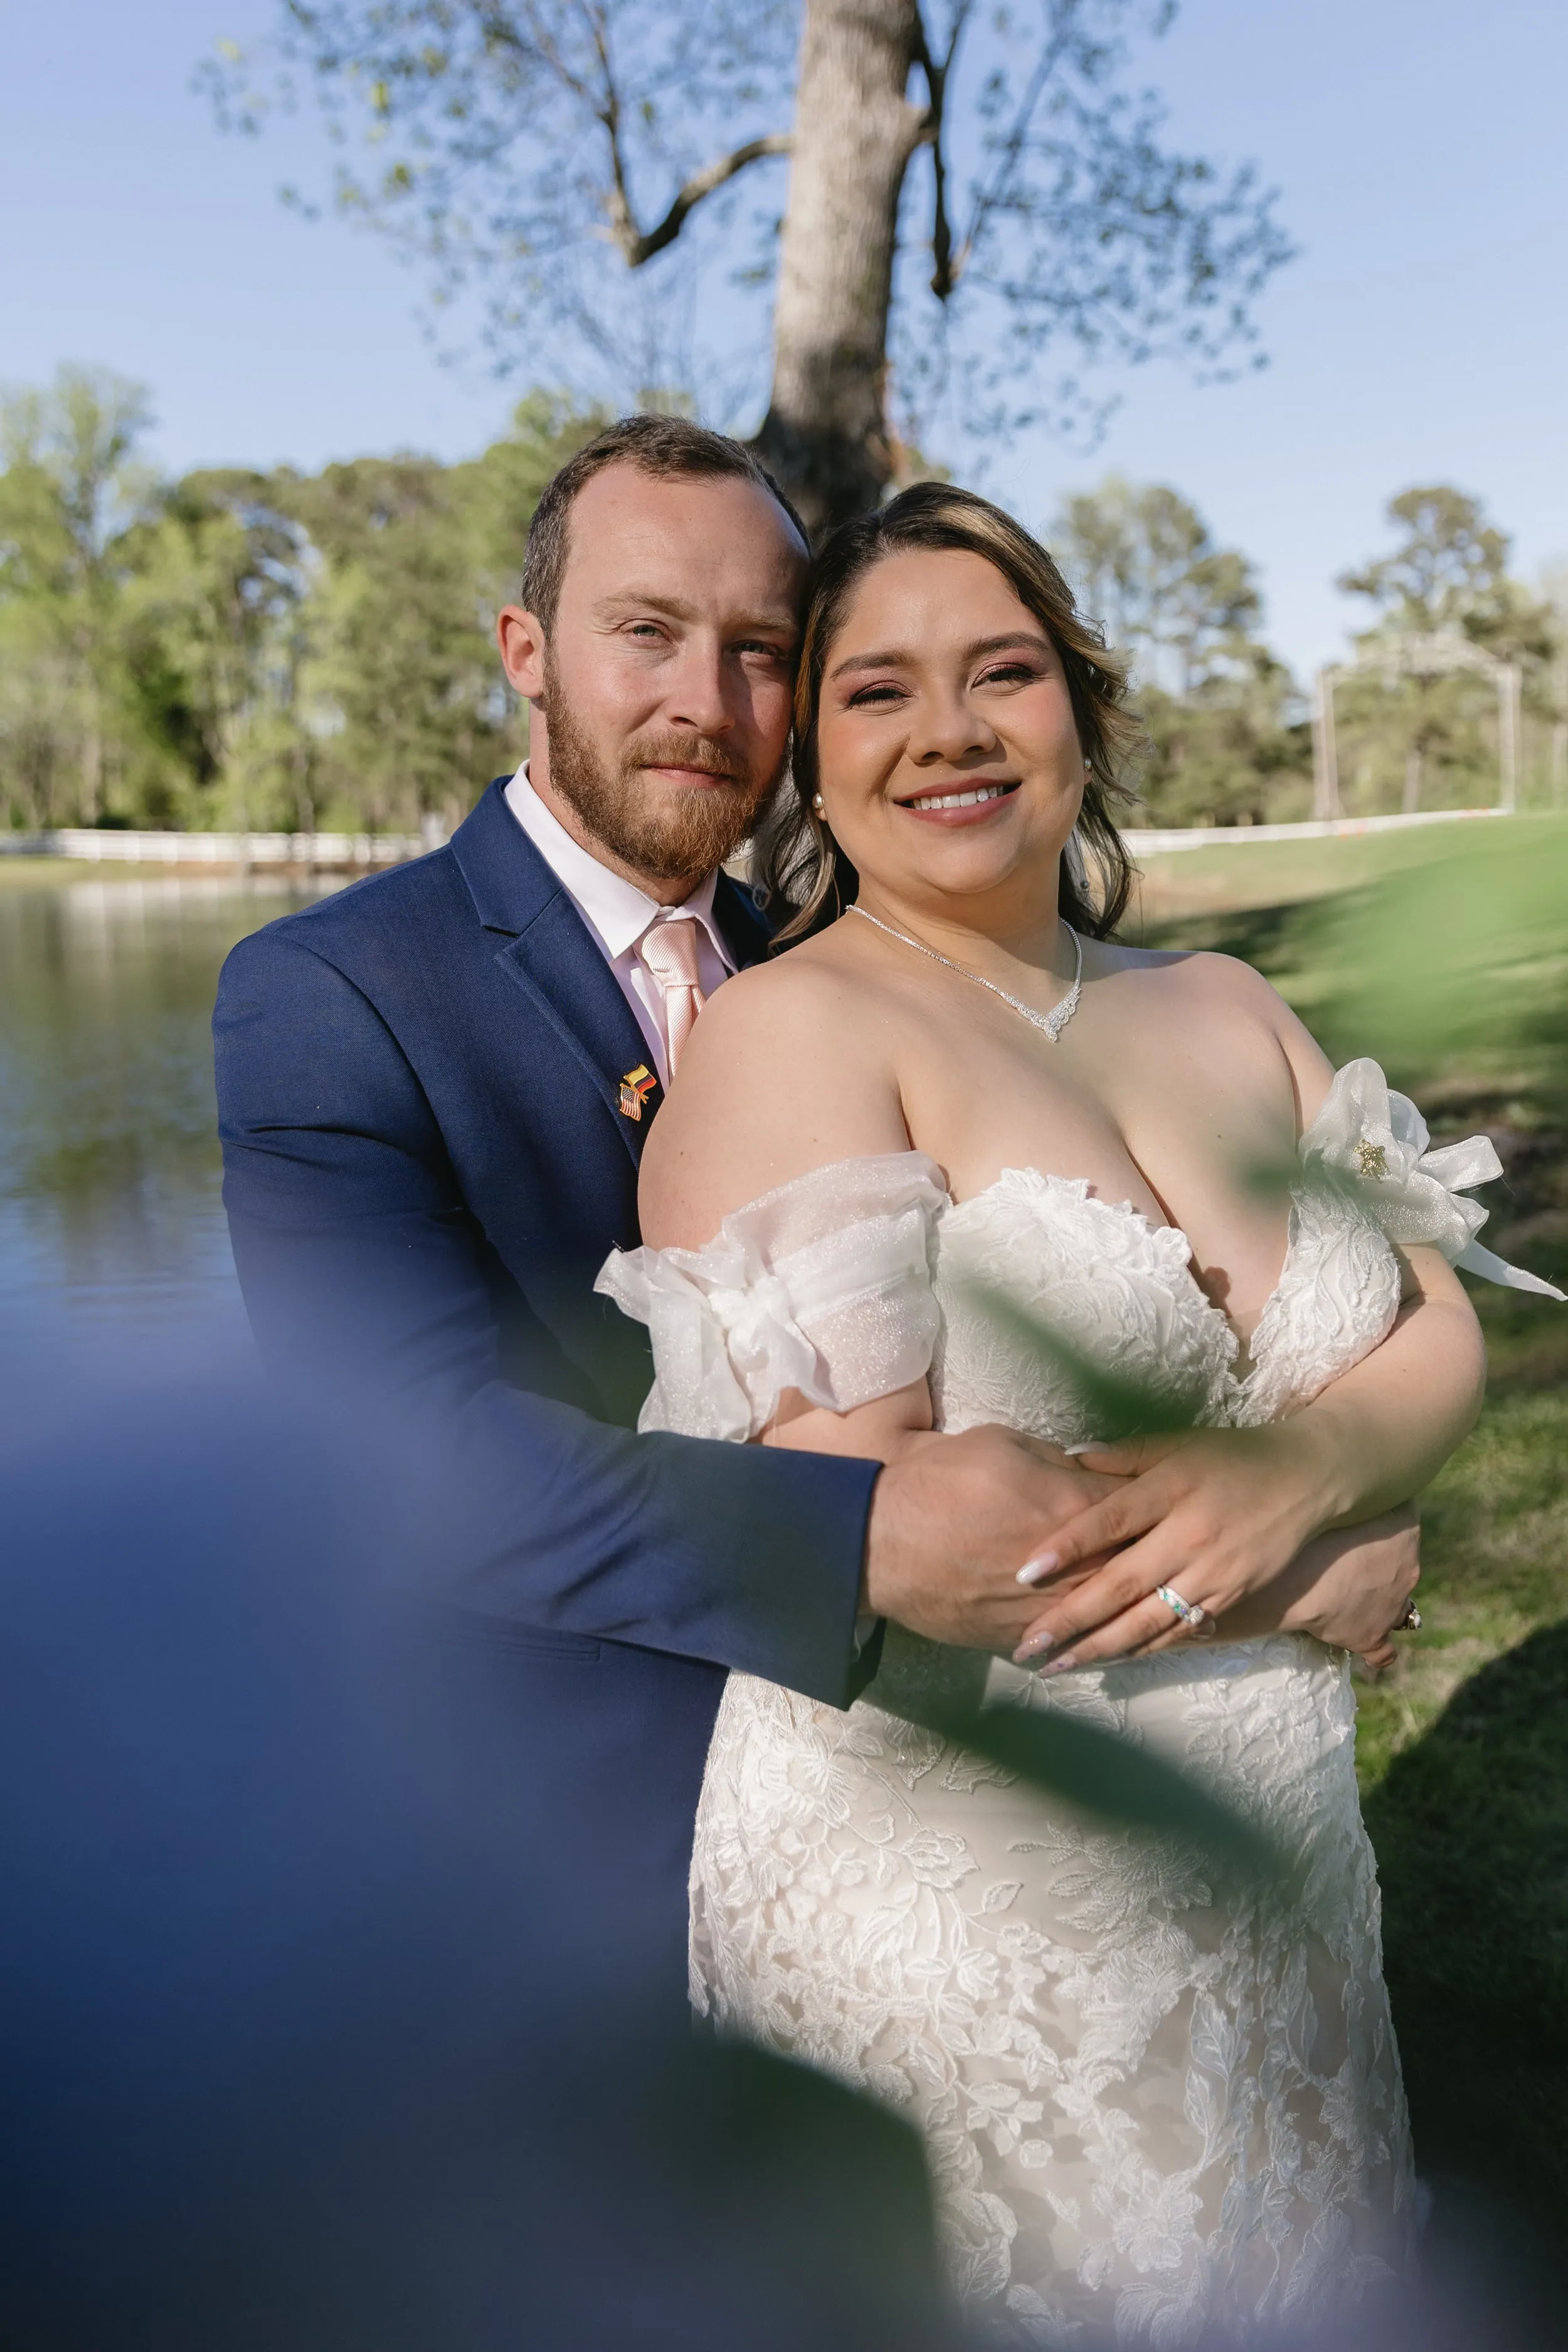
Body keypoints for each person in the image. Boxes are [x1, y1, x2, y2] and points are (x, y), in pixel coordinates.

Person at [215, 418, 1419, 2013]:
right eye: (644, 633)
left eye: (757, 651)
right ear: (526, 649)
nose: (704, 703)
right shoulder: (336, 993)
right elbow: (405, 1463)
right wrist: (1270, 1573)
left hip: (991, 1782)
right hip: (585, 1830)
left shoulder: (845, 959)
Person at [600, 484, 1557, 2341]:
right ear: (812, 750)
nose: (948, 730)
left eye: (1003, 670)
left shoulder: (1226, 1003)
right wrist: (1306, 1580)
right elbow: (885, 1534)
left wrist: (1313, 1475)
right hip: (963, 1902)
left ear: (1084, 710)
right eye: (876, 689)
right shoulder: (795, 1034)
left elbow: (1428, 1321)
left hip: (1270, 1868)